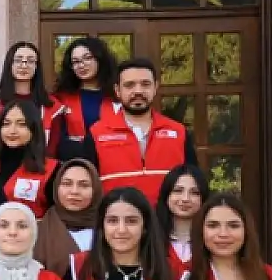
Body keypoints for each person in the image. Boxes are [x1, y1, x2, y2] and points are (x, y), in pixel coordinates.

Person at [82, 57, 199, 203]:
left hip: (167, 223)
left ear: (155, 87)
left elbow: (195, 184)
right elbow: (86, 187)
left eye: (145, 84)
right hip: (117, 222)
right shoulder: (96, 134)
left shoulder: (178, 132)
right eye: (129, 85)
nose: (138, 91)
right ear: (117, 90)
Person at [0, 41, 65, 158]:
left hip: (40, 169)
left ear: (37, 67)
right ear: (9, 64)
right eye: (18, 60)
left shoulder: (52, 105)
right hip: (2, 170)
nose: (24, 65)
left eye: (30, 61)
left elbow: (53, 149)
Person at [0, 99, 58, 217]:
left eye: (22, 124)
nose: (12, 131)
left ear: (34, 129)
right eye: (6, 124)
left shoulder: (52, 169)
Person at [34, 158, 102, 275]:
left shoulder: (108, 229)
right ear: (57, 187)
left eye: (84, 185)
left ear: (95, 190)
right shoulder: (37, 230)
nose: (74, 191)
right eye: (67, 183)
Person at [53, 36, 118, 154]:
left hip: (113, 158)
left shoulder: (117, 95)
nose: (81, 65)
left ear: (100, 59)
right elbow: (56, 139)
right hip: (75, 163)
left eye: (87, 58)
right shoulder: (61, 99)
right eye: (76, 62)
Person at [158, 163, 206, 275]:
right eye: (178, 190)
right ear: (167, 195)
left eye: (194, 192)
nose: (185, 199)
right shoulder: (151, 240)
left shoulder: (211, 240)